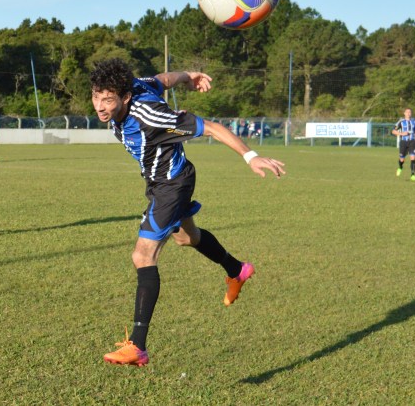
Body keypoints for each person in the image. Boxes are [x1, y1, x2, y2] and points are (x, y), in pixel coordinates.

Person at [90, 58, 286, 366]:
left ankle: (137, 346)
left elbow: (210, 127)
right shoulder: (136, 86)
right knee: (188, 237)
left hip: (171, 184)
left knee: (143, 256)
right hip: (163, 179)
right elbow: (161, 79)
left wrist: (251, 156)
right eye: (96, 97)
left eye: (108, 100)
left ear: (125, 97)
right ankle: (237, 270)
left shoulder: (151, 114)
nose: (100, 106)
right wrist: (189, 75)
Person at [392, 107, 415, 181]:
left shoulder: (414, 122)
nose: (408, 113)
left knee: (413, 158)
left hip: (412, 142)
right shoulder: (401, 122)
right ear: (404, 113)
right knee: (402, 159)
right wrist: (402, 133)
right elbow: (393, 131)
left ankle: (413, 174)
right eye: (407, 112)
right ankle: (400, 167)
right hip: (403, 142)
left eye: (410, 112)